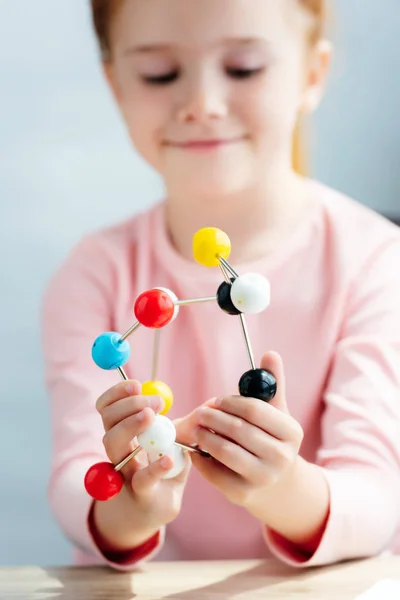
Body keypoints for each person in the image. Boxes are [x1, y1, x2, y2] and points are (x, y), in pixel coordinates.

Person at [41, 0, 400, 572]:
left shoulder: (377, 261)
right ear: (116, 85)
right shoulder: (94, 271)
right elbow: (74, 479)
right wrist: (135, 506)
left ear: (312, 74)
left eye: (244, 68)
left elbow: (379, 500)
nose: (202, 105)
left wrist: (279, 487)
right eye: (160, 74)